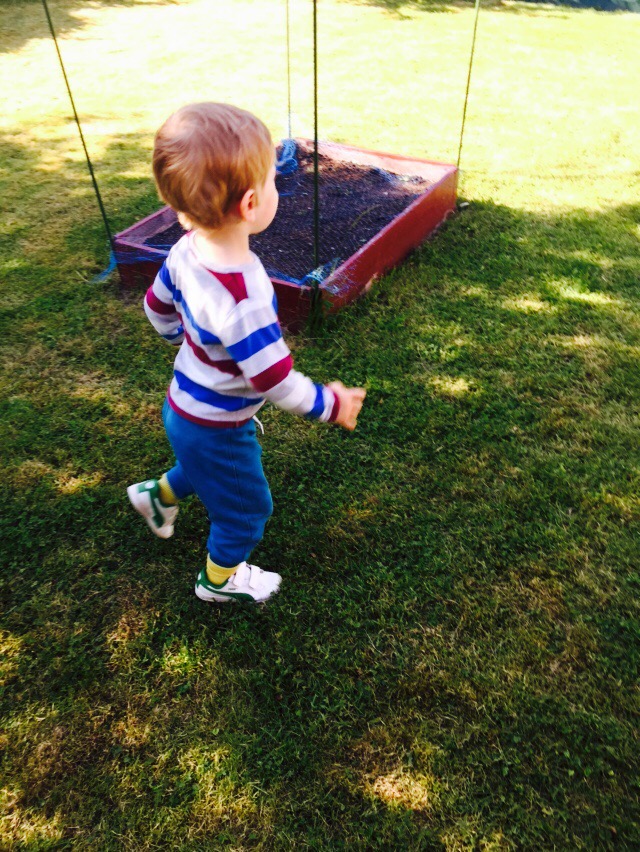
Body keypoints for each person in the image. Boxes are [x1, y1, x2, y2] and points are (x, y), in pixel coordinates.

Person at [127, 102, 366, 605]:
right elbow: (273, 379)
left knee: (202, 467)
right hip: (217, 425)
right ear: (252, 203)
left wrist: (182, 341)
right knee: (246, 507)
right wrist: (330, 404)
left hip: (182, 407)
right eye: (274, 180)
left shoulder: (184, 249)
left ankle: (156, 498)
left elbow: (155, 307)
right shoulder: (244, 298)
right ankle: (219, 581)